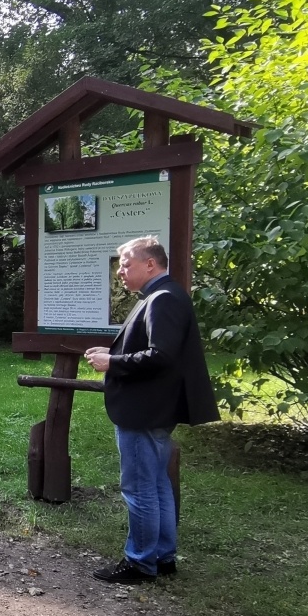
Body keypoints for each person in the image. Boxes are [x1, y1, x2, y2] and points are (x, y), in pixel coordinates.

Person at [85, 236, 219, 585]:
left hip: (144, 410)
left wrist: (111, 361)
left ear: (151, 264)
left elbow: (162, 356)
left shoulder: (162, 299)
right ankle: (162, 557)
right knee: (156, 483)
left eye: (127, 264)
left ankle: (140, 562)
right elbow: (153, 348)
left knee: (139, 487)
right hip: (153, 408)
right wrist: (113, 349)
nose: (121, 272)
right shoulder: (164, 296)